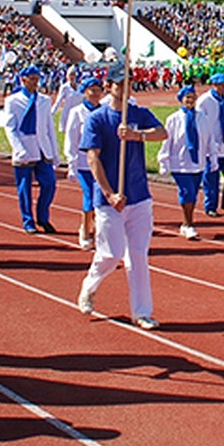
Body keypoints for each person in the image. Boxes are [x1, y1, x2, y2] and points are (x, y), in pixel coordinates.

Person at [77, 65, 167, 329]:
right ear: (109, 86)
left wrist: (137, 135)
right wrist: (109, 193)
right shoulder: (98, 119)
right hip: (109, 200)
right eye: (119, 84)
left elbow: (162, 133)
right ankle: (90, 286)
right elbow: (92, 158)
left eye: (128, 83)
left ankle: (142, 311)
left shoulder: (139, 114)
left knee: (138, 255)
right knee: (111, 253)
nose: (123, 88)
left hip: (139, 195)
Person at [4, 65, 59, 234]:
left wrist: (55, 152)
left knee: (49, 183)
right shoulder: (13, 101)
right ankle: (28, 220)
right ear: (23, 79)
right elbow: (10, 127)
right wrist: (19, 149)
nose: (36, 82)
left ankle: (43, 217)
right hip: (25, 150)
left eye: (37, 79)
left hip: (42, 149)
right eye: (32, 79)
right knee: (24, 189)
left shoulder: (44, 100)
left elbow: (49, 127)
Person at [158, 85, 208, 240]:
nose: (190, 100)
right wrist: (163, 161)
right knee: (187, 193)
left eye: (193, 97)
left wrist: (211, 156)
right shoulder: (173, 119)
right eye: (187, 97)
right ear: (181, 100)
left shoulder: (202, 117)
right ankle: (188, 224)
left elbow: (208, 138)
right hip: (180, 163)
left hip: (197, 162)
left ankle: (187, 222)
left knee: (193, 194)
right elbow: (167, 141)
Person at [64, 76, 104, 249]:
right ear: (85, 92)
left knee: (102, 199)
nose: (95, 94)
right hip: (84, 164)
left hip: (103, 164)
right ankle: (85, 231)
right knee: (89, 197)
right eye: (92, 90)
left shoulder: (105, 111)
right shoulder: (77, 112)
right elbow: (71, 140)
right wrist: (71, 163)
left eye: (98, 90)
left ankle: (99, 230)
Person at [197, 72, 224, 217]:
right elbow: (199, 122)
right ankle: (210, 206)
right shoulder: (204, 101)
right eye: (221, 85)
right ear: (213, 85)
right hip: (212, 146)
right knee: (211, 178)